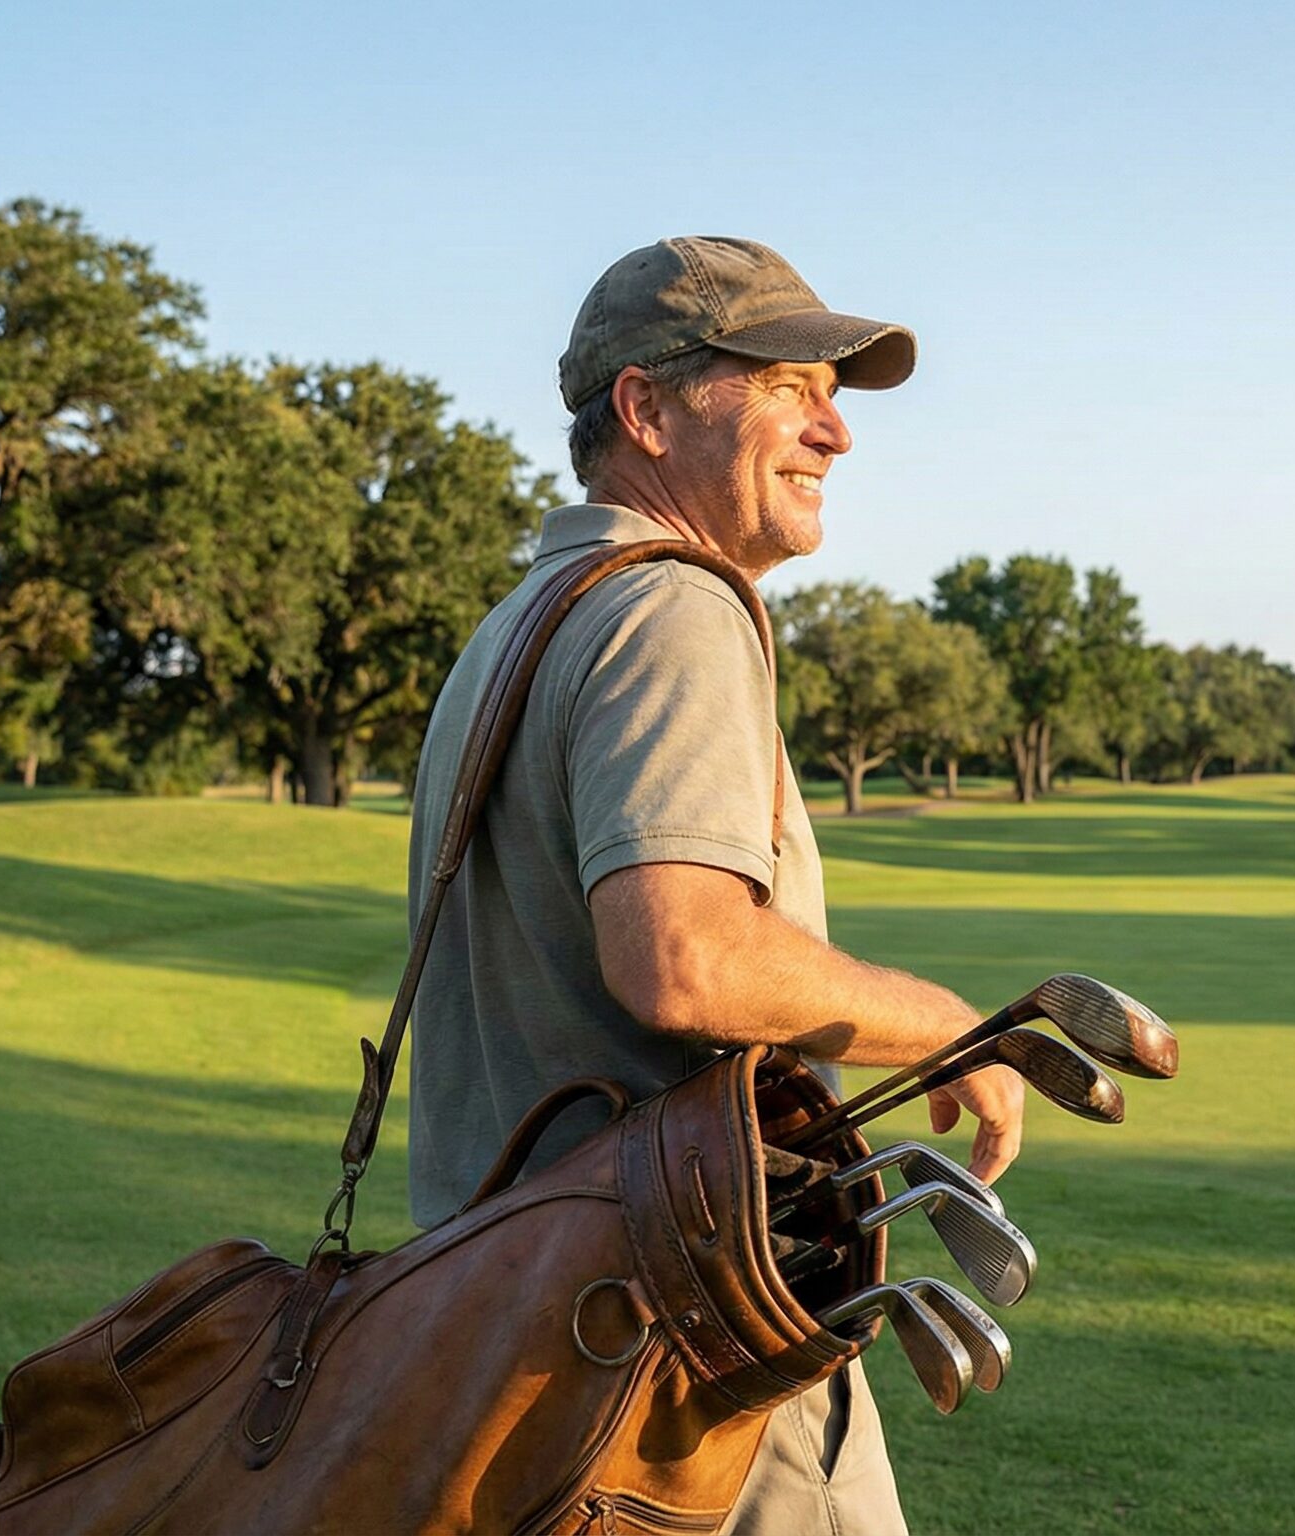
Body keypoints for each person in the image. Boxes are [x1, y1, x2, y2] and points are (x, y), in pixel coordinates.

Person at [401, 237, 1023, 1536]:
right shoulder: (669, 607)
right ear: (646, 408)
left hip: (514, 1357)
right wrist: (958, 1029)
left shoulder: (526, 619)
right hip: (684, 1381)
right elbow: (683, 954)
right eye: (790, 386)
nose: (836, 431)